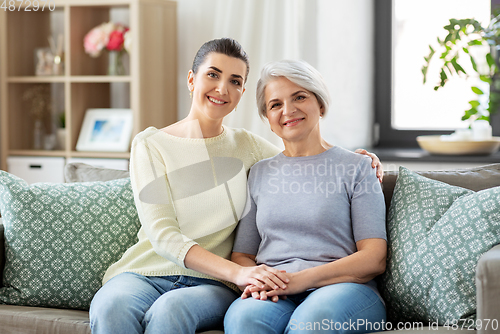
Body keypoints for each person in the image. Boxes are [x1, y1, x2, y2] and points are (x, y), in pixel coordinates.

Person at [89, 39, 383, 334]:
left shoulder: (250, 148)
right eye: (213, 75)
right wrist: (241, 273)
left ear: (242, 92)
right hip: (149, 271)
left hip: (212, 283)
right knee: (110, 307)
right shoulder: (151, 144)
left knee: (171, 311)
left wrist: (359, 159)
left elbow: (302, 158)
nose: (222, 89)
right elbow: (163, 234)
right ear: (192, 79)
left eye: (235, 81)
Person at [224, 60, 388, 334]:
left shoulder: (358, 167)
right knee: (244, 320)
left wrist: (299, 280)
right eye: (275, 104)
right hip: (277, 289)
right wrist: (259, 278)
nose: (288, 110)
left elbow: (374, 258)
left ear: (320, 105)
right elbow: (242, 255)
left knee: (311, 324)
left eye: (299, 97)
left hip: (344, 289)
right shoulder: (259, 173)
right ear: (268, 119)